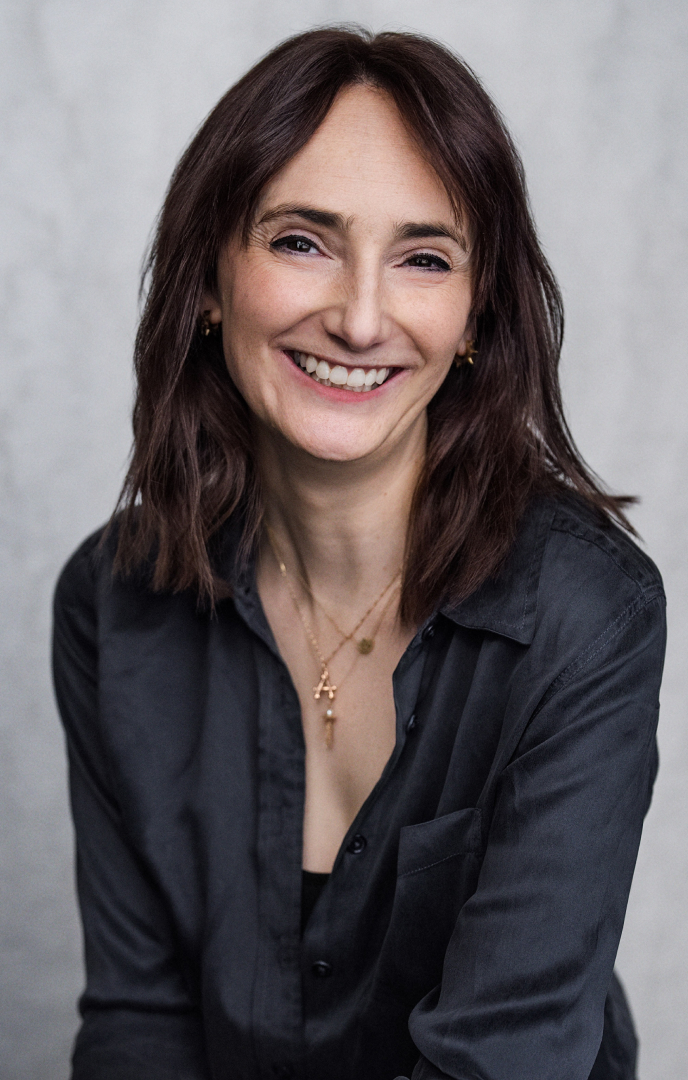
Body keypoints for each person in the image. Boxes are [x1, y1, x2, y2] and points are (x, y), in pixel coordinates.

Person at [52, 26, 666, 1080]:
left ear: (474, 318)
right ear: (209, 279)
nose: (361, 317)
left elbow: (502, 1059)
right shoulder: (111, 603)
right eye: (302, 242)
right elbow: (139, 1024)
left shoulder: (586, 616)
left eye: (424, 258)